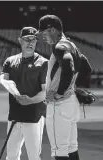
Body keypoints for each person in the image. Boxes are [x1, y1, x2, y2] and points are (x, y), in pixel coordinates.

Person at [36, 15, 92, 160]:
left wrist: (60, 93)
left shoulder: (59, 46)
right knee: (71, 148)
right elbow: (87, 68)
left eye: (44, 33)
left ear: (52, 30)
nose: (43, 36)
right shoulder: (72, 45)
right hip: (71, 105)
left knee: (59, 151)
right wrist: (72, 88)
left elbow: (68, 66)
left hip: (59, 106)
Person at [0, 27, 48, 160]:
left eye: (33, 40)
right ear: (20, 41)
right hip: (14, 115)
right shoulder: (10, 61)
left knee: (33, 157)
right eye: (27, 39)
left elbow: (46, 92)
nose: (30, 42)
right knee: (12, 156)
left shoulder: (43, 63)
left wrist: (30, 100)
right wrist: (3, 82)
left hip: (34, 117)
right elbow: (3, 81)